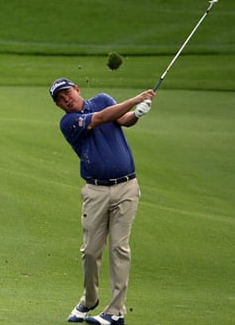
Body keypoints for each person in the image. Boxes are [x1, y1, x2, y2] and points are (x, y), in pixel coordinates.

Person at [50, 77, 154, 325]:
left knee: (120, 248)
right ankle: (89, 299)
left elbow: (123, 120)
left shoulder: (103, 99)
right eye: (60, 99)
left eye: (68, 93)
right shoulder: (69, 122)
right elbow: (101, 118)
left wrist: (138, 113)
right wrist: (135, 99)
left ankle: (116, 312)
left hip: (127, 187)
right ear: (59, 106)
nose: (66, 99)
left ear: (77, 89)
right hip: (96, 192)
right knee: (91, 251)